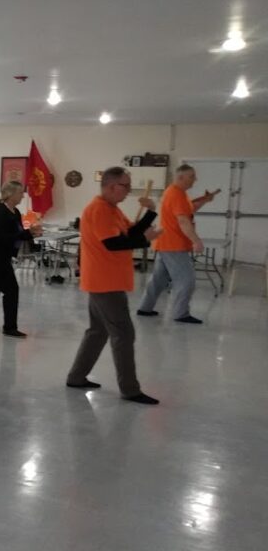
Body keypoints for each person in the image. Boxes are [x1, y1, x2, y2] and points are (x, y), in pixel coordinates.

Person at [66, 167, 162, 405]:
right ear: (111, 186)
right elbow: (113, 243)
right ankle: (130, 389)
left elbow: (130, 231)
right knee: (123, 334)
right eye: (125, 186)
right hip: (104, 283)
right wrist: (144, 241)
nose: (129, 191)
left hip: (106, 280)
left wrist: (151, 213)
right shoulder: (99, 209)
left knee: (98, 332)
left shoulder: (112, 209)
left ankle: (76, 377)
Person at [136, 164, 219, 324]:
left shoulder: (179, 194)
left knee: (159, 280)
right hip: (174, 245)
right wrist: (196, 240)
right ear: (181, 177)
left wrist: (205, 200)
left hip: (166, 244)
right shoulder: (176, 194)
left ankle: (145, 308)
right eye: (192, 176)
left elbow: (189, 210)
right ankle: (180, 314)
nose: (195, 179)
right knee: (186, 280)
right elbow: (182, 220)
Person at [0, 181, 42, 337]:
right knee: (11, 289)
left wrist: (31, 233)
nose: (23, 196)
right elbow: (3, 237)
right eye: (20, 193)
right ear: (10, 194)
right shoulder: (1, 212)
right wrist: (27, 233)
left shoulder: (15, 212)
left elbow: (16, 233)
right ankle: (10, 327)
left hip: (5, 253)